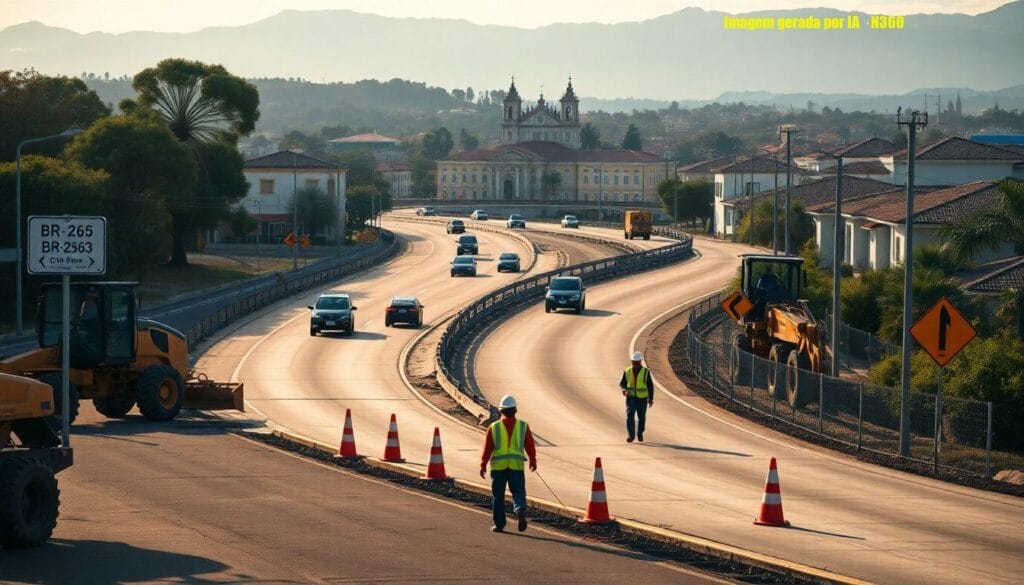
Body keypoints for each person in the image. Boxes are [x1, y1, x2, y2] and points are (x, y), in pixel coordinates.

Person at [480, 394, 537, 533]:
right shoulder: (523, 426)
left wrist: (483, 464)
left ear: (501, 410)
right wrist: (533, 460)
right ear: (515, 410)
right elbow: (530, 445)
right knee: (518, 492)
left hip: (498, 467)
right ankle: (519, 509)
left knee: (498, 496)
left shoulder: (494, 427)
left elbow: (488, 448)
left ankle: (499, 525)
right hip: (516, 467)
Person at [619, 351, 654, 443]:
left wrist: (650, 399)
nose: (634, 363)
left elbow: (650, 386)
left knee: (641, 417)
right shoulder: (627, 371)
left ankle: (640, 432)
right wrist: (624, 390)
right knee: (630, 416)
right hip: (631, 398)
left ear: (640, 361)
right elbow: (622, 383)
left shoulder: (646, 372)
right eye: (633, 361)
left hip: (642, 399)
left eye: (636, 362)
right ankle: (631, 436)